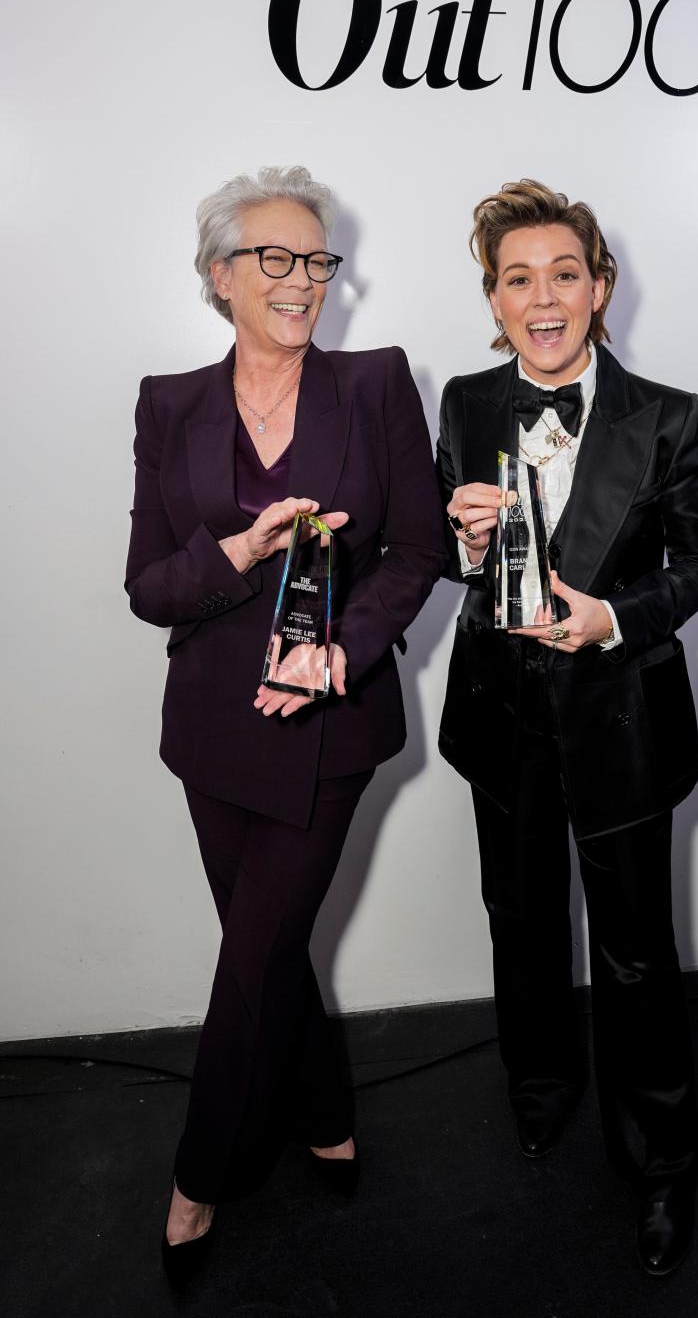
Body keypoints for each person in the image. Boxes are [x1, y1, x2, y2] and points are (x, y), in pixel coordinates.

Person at [125, 166, 446, 1283]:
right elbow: (146, 586)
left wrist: (340, 649)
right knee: (268, 953)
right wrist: (236, 554)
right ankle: (323, 1110)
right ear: (221, 275)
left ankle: (199, 1171)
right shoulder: (169, 403)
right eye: (276, 258)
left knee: (251, 952)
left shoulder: (375, 384)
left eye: (316, 260)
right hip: (211, 730)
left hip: (331, 721)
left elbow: (419, 550)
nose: (303, 280)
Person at [436, 179, 698, 1278]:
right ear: (496, 299)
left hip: (623, 722)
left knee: (638, 956)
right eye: (520, 279)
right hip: (500, 717)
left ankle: (662, 1163)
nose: (545, 297)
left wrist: (614, 614)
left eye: (566, 274)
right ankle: (541, 1090)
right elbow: (445, 547)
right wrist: (461, 543)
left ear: (601, 288)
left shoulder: (668, 414)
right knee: (519, 921)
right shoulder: (466, 402)